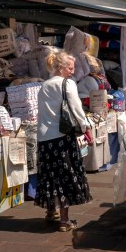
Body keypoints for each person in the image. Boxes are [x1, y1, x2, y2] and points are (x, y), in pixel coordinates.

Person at [35, 51, 93, 231]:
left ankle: (51, 212)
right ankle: (65, 220)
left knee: (49, 175)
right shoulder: (67, 84)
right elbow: (76, 108)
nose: (72, 71)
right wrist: (87, 127)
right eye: (70, 68)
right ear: (60, 68)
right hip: (61, 136)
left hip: (44, 138)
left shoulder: (44, 85)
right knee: (65, 176)